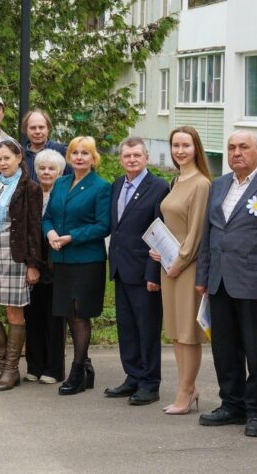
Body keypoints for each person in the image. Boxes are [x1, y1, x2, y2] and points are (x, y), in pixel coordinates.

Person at [196, 130, 257, 438]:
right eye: (231, 147)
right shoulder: (219, 185)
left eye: (243, 147)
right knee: (225, 348)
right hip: (220, 281)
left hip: (255, 284)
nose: (236, 152)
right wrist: (203, 275)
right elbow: (209, 233)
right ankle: (232, 404)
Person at [42, 136, 111, 396]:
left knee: (80, 314)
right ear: (69, 157)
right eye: (75, 153)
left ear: (94, 159)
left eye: (85, 153)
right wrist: (49, 233)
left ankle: (77, 370)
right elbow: (48, 217)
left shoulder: (101, 187)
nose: (79, 157)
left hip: (86, 260)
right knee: (68, 313)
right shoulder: (60, 183)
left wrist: (72, 237)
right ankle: (87, 365)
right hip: (61, 259)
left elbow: (103, 226)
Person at [149, 127, 211, 413]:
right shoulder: (176, 181)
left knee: (189, 333)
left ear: (196, 148)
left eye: (186, 145)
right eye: (175, 145)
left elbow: (197, 232)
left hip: (186, 267)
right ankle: (189, 388)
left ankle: (185, 393)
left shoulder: (200, 184)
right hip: (168, 265)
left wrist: (178, 262)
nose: (180, 150)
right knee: (175, 331)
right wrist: (159, 251)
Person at [105, 137, 169, 405]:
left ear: (146, 158)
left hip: (145, 272)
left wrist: (153, 274)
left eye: (136, 155)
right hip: (121, 268)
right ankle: (132, 377)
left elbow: (160, 232)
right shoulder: (119, 184)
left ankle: (149, 383)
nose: (131, 159)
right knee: (127, 328)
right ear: (121, 159)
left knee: (147, 329)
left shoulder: (158, 187)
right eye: (126, 155)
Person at [0, 140, 42, 391]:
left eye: (7, 158)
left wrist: (33, 264)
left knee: (14, 313)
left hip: (15, 257)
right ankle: (3, 365)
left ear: (19, 158)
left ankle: (11, 369)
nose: (3, 163)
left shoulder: (30, 188)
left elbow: (33, 228)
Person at [25, 148, 68, 384]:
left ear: (60, 172)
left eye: (52, 168)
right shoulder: (30, 194)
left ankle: (53, 368)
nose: (46, 172)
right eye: (42, 168)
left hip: (56, 262)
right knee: (33, 315)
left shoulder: (63, 195)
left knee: (54, 317)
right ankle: (34, 365)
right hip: (33, 261)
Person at [21, 109, 66, 183]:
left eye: (41, 127)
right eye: (33, 128)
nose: (37, 131)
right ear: (26, 130)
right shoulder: (19, 155)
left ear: (48, 128)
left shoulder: (61, 151)